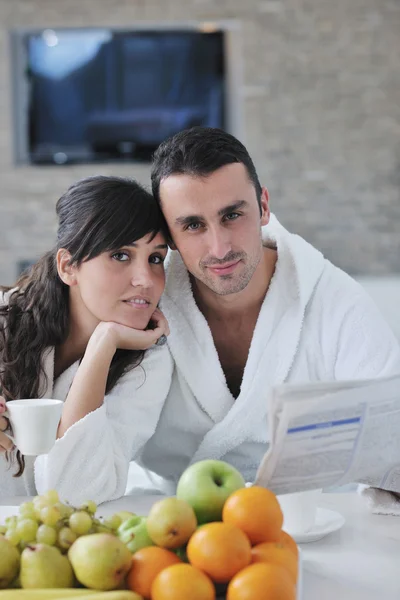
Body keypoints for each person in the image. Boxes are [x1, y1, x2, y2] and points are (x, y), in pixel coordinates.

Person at [125, 126, 400, 495]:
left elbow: (391, 434)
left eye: (232, 216)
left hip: (311, 518)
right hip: (172, 514)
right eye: (193, 225)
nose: (219, 248)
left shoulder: (336, 301)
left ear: (264, 206)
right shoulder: (145, 303)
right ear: (170, 236)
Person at [0, 175, 172, 504]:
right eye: (121, 255)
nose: (146, 280)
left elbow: (76, 490)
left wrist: (104, 342)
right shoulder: (3, 320)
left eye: (155, 259)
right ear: (68, 266)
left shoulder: (149, 362)